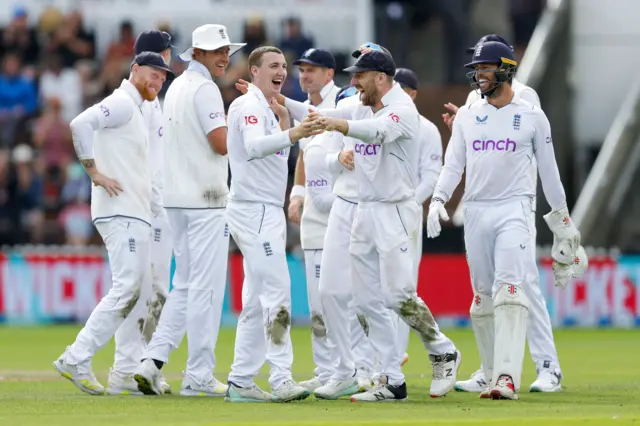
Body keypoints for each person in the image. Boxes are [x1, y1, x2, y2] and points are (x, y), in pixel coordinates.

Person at [426, 41, 585, 400]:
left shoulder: (531, 114)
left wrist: (563, 226)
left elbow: (550, 172)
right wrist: (437, 199)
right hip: (477, 209)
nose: (478, 75)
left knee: (511, 290)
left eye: (485, 68)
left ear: (506, 69)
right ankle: (490, 371)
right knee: (482, 297)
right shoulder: (468, 114)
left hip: (515, 207)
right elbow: (454, 164)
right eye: (476, 69)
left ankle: (508, 379)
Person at [307, 50, 461, 402]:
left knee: (397, 296)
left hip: (395, 211)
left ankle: (443, 349)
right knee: (363, 302)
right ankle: (392, 379)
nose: (354, 82)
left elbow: (376, 133)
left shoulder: (403, 111)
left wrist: (339, 125)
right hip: (366, 209)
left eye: (360, 76)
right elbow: (326, 113)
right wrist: (279, 101)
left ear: (380, 77)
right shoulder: (362, 104)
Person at [134, 24, 245, 397]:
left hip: (177, 201)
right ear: (196, 53)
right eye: (216, 51)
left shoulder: (177, 85)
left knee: (184, 286)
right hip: (206, 201)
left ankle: (152, 362)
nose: (224, 57)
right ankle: (198, 374)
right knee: (205, 290)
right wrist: (250, 124)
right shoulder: (206, 89)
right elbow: (221, 144)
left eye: (226, 50)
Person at [53, 52, 171, 395]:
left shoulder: (137, 108)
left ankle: (120, 370)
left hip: (135, 211)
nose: (158, 81)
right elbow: (80, 124)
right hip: (119, 210)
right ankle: (76, 356)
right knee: (128, 286)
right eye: (153, 74)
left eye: (163, 78)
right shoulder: (121, 102)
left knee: (136, 291)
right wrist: (94, 173)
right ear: (135, 70)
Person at [224, 46, 321, 403]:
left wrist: (287, 119)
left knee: (253, 300)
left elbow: (305, 120)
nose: (282, 72)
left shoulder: (269, 107)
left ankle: (241, 381)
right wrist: (293, 134)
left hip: (267, 211)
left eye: (284, 66)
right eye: (273, 66)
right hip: (252, 211)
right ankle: (281, 378)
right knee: (277, 292)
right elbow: (252, 148)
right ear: (254, 73)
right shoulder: (248, 106)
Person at [107, 29, 174, 396]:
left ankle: (144, 366)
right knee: (138, 288)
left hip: (156, 205)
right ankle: (124, 369)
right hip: (145, 206)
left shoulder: (153, 99)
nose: (165, 66)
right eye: (163, 58)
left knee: (156, 290)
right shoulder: (137, 101)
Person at [285, 48, 341, 391]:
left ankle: (350, 368)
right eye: (302, 70)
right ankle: (325, 371)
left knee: (338, 296)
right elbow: (304, 154)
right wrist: (297, 193)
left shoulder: (344, 102)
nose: (305, 76)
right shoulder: (303, 111)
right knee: (316, 299)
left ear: (329, 74)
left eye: (312, 70)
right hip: (314, 215)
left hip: (341, 211)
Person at [392, 67, 443, 368]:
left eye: (401, 88)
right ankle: (380, 355)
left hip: (407, 214)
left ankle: (397, 354)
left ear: (412, 93)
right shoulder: (385, 121)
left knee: (403, 285)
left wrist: (407, 203)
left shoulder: (427, 129)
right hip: (381, 213)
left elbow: (431, 176)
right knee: (377, 285)